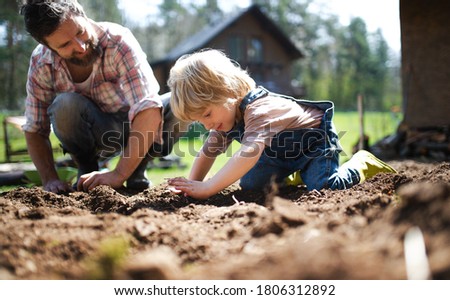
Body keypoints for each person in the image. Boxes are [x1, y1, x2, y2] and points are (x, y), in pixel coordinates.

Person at [167, 49, 396, 200]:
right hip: (277, 154)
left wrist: (208, 188)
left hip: (313, 144)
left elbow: (248, 153)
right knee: (251, 186)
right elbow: (209, 151)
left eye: (206, 114)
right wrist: (192, 184)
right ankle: (293, 172)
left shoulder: (260, 109)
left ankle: (362, 162)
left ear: (227, 92)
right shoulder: (224, 120)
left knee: (326, 186)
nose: (207, 126)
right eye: (200, 121)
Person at [20, 0, 189, 193]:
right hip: (95, 131)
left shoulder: (118, 41)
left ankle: (137, 170)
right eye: (66, 44)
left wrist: (118, 174)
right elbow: (35, 128)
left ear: (82, 14)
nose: (81, 46)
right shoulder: (42, 63)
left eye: (79, 32)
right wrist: (49, 179)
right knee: (64, 105)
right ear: (48, 46)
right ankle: (87, 170)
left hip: (137, 128)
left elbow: (148, 108)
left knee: (181, 102)